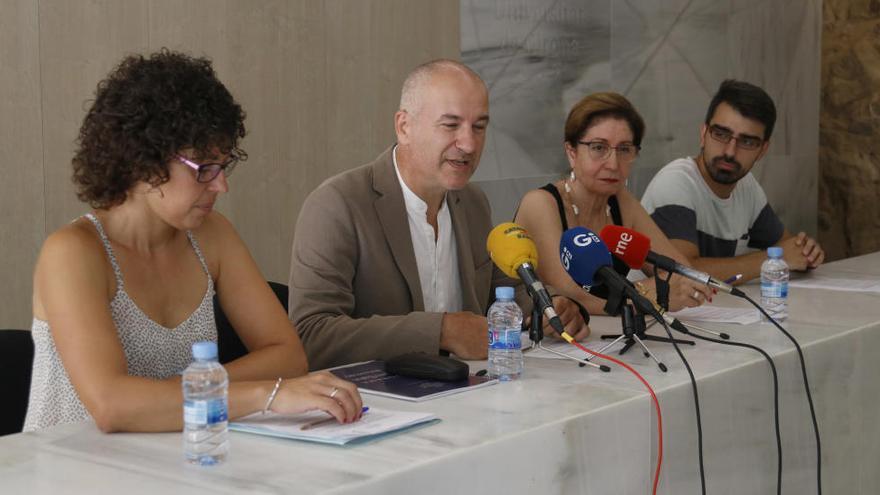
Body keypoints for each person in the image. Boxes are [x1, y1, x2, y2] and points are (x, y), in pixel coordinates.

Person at [25, 50, 362, 433]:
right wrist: (264, 395)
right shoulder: (72, 252)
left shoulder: (212, 236)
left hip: (171, 457)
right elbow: (113, 406)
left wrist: (160, 400)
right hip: (71, 473)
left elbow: (288, 356)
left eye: (223, 165)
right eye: (203, 169)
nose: (221, 184)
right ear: (143, 161)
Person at [289, 59, 590, 371]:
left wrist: (554, 306)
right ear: (404, 126)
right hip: (374, 404)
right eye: (450, 125)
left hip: (470, 388)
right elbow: (311, 334)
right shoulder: (337, 204)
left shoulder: (472, 202)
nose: (469, 144)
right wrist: (442, 331)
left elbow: (505, 291)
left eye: (479, 127)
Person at [514, 92, 713, 315]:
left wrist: (661, 291)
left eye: (624, 149)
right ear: (572, 153)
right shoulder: (541, 204)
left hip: (607, 335)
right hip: (539, 343)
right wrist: (645, 294)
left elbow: (681, 272)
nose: (613, 164)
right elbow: (571, 297)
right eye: (599, 148)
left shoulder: (620, 200)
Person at [641, 79, 825, 283]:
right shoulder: (675, 183)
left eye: (746, 142)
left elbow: (789, 246)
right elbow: (683, 273)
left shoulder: (746, 187)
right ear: (703, 134)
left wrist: (806, 252)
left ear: (763, 150)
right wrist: (773, 259)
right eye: (721, 134)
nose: (730, 152)